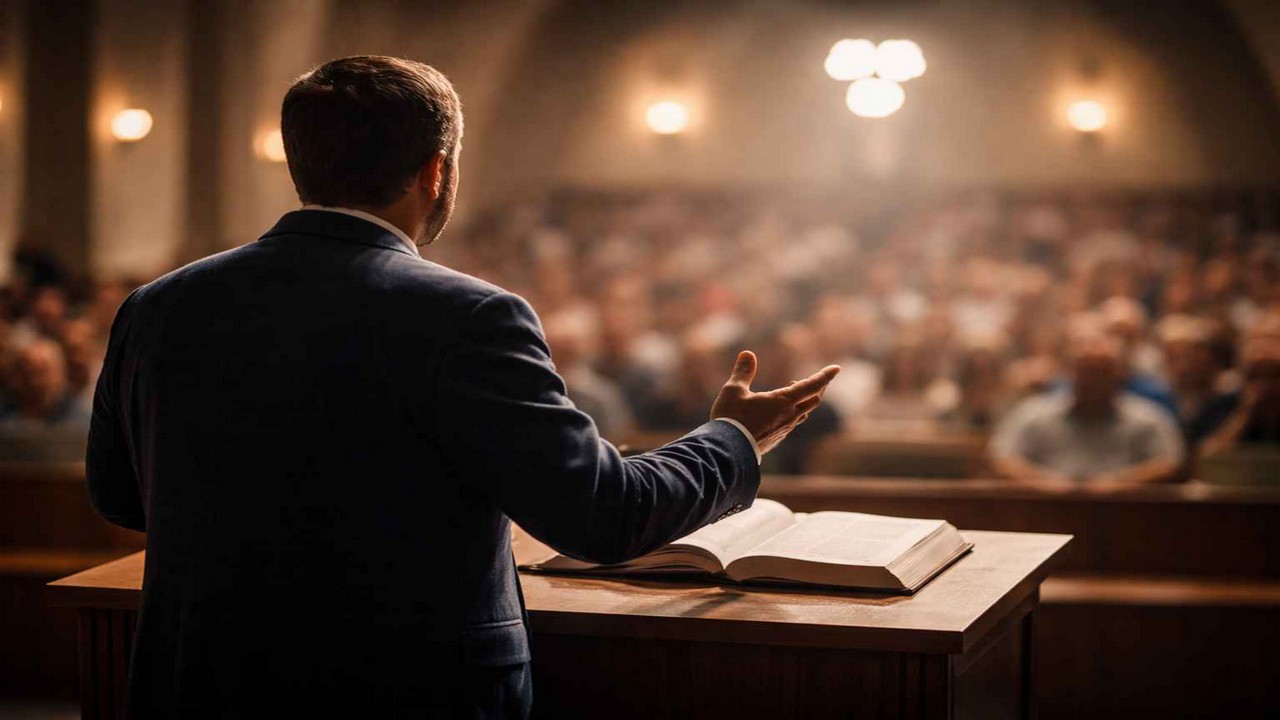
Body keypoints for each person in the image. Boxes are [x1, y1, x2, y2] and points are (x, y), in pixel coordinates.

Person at [84, 56, 838, 719]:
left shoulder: (158, 305)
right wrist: (732, 441)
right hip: (404, 691)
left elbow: (120, 494)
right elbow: (605, 517)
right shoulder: (468, 315)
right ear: (436, 170)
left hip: (197, 683)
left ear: (299, 164)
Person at [990, 333, 1183, 489]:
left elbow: (1169, 463)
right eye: (1087, 371)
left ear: (1120, 374)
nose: (1094, 380)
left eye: (1102, 371)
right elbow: (1003, 459)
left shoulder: (1147, 418)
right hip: (1045, 511)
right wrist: (1046, 482)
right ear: (1071, 373)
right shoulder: (1033, 414)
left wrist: (1119, 483)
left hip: (1126, 515)